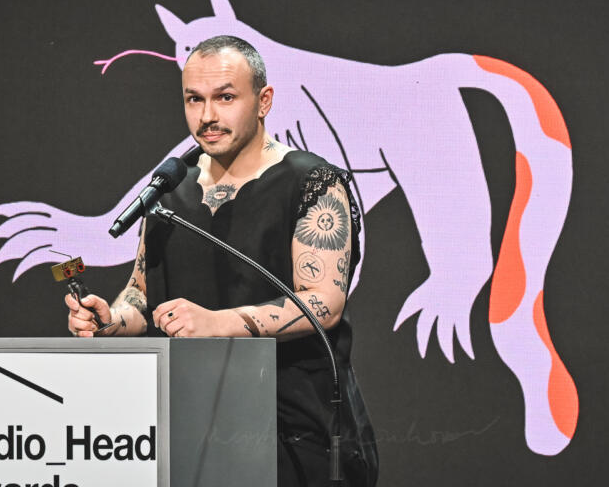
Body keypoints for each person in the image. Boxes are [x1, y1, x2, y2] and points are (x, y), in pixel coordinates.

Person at [67, 35, 378, 487]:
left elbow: (323, 303)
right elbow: (142, 294)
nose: (207, 116)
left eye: (225, 98)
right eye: (194, 99)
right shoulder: (169, 192)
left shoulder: (313, 182)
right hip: (195, 429)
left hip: (296, 432)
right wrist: (110, 321)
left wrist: (218, 323)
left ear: (264, 100)